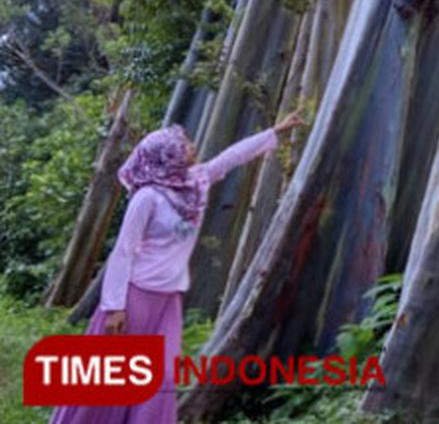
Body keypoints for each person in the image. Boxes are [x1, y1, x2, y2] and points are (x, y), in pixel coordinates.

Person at [49, 110, 305, 424]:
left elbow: (227, 160)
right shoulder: (146, 198)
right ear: (165, 155)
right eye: (182, 144)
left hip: (167, 299)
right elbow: (124, 252)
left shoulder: (193, 183)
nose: (190, 146)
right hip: (134, 298)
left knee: (162, 378)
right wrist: (114, 306)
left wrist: (273, 132)